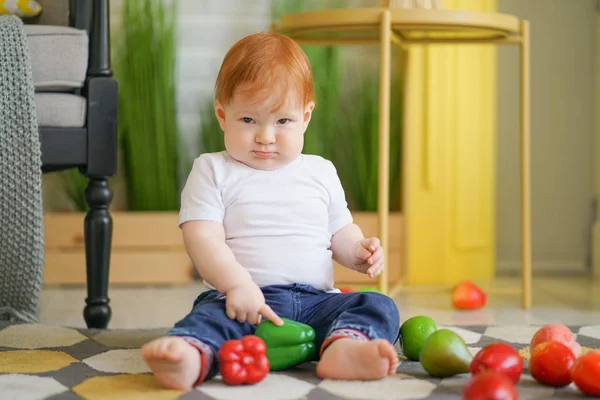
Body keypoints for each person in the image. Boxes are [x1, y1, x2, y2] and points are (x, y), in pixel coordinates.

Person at [141, 31, 401, 390]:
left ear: (306, 116)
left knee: (378, 304)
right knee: (211, 319)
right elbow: (201, 238)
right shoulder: (212, 169)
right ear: (222, 114)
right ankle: (189, 354)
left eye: (283, 122)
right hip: (243, 300)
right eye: (248, 120)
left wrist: (358, 251)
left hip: (317, 303)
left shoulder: (320, 171)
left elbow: (340, 231)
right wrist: (237, 285)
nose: (266, 136)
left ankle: (345, 347)